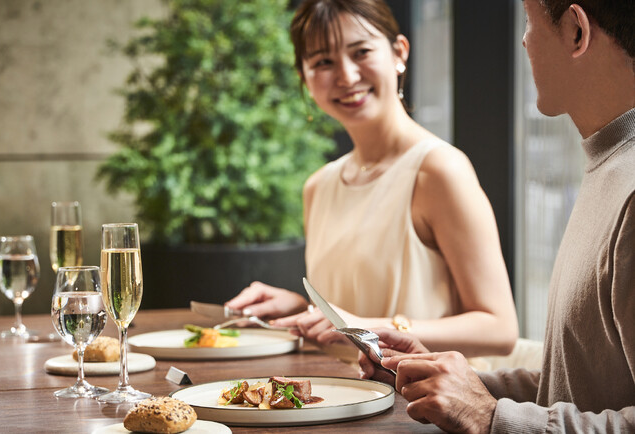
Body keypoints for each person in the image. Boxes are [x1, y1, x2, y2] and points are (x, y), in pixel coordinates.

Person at [359, 0, 635, 431]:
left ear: (577, 31)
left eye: (529, 22)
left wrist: (489, 415)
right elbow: (584, 388)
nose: (524, 40)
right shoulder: (608, 165)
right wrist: (454, 383)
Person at [226, 0, 519, 358]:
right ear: (304, 77)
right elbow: (349, 321)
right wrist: (300, 310)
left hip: (417, 405)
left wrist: (373, 326)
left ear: (399, 52)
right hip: (337, 397)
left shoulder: (440, 170)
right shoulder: (318, 187)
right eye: (323, 62)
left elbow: (499, 328)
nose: (347, 76)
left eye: (361, 51)